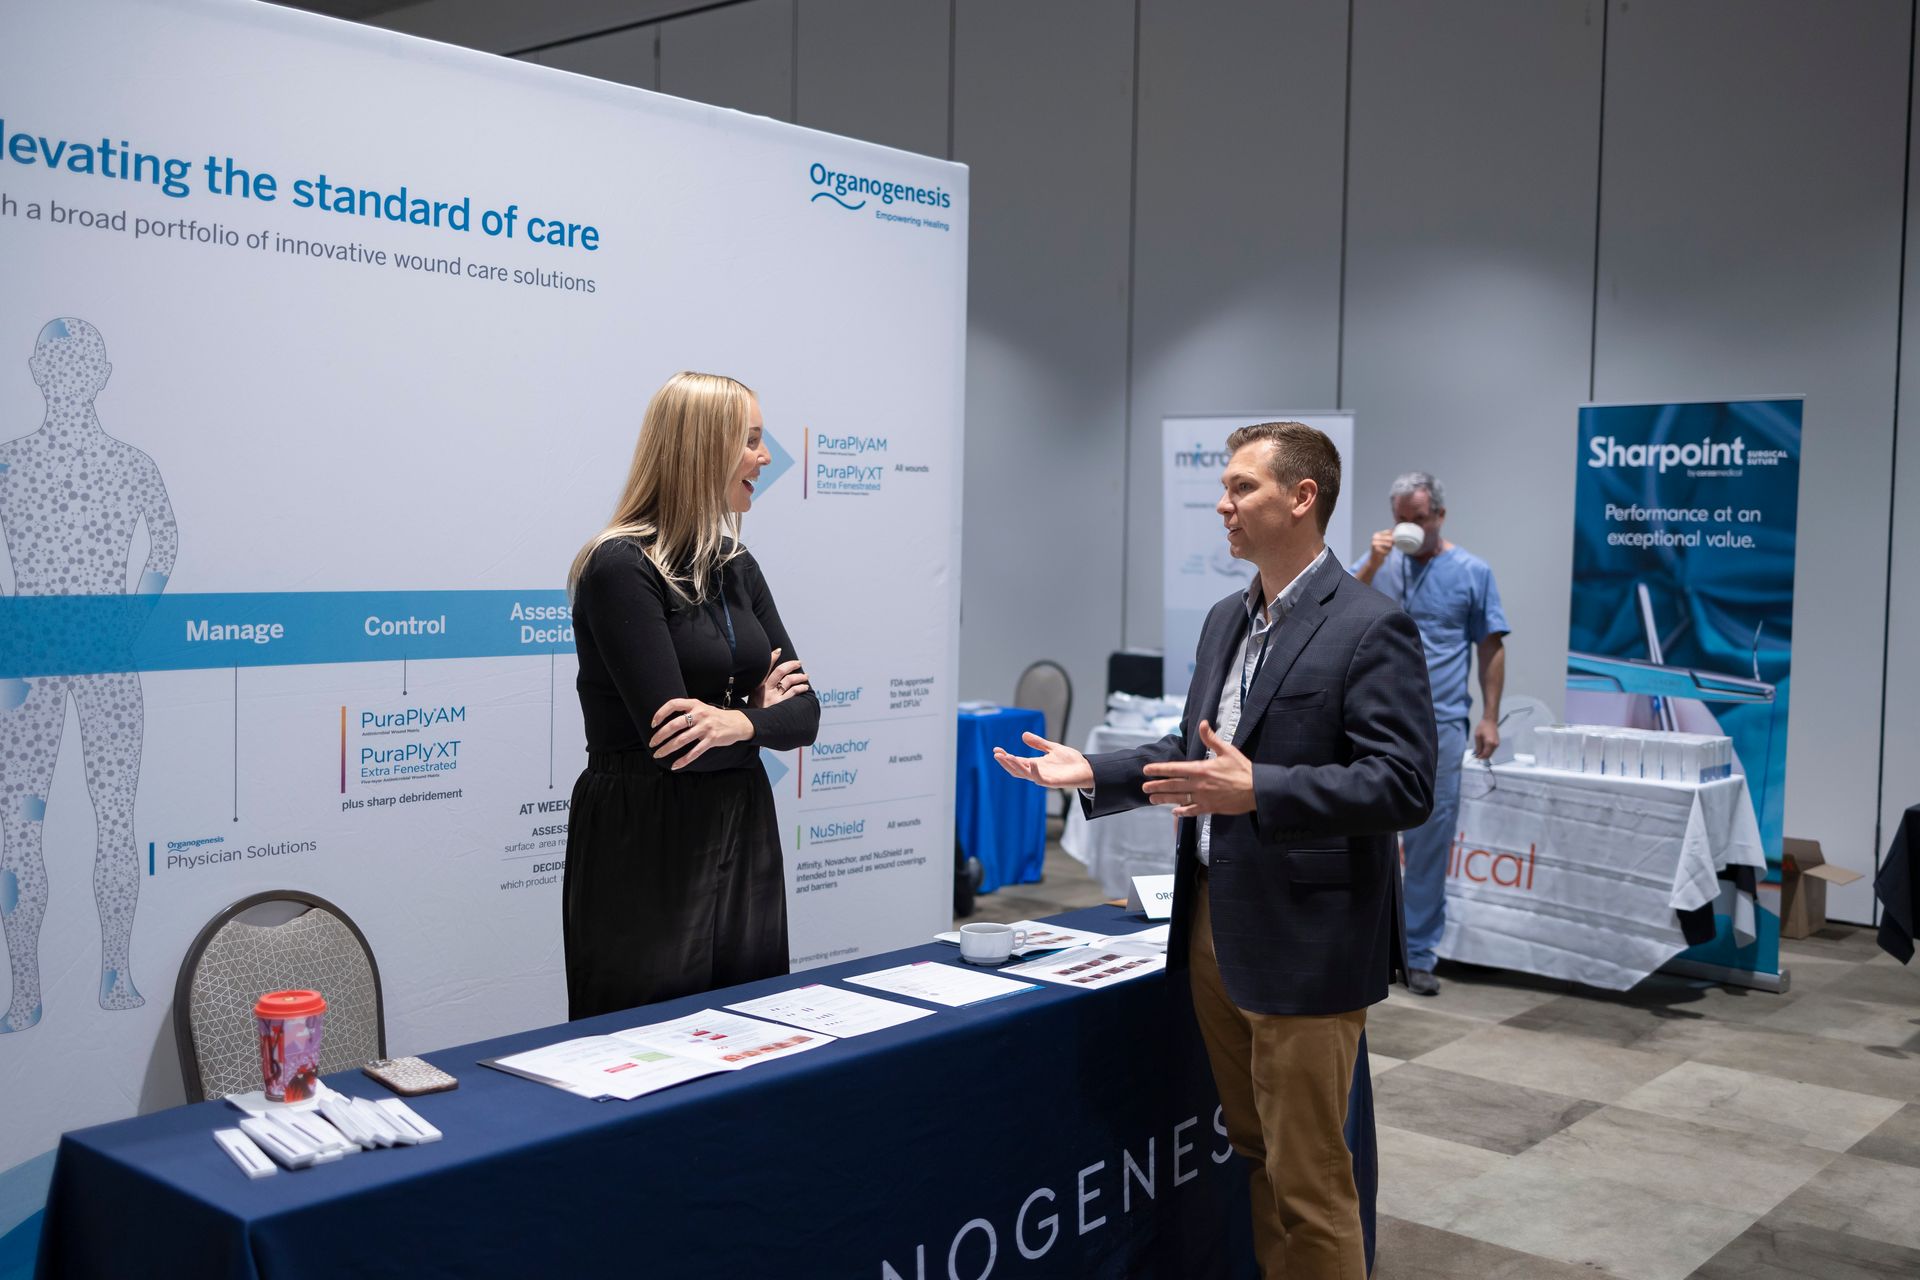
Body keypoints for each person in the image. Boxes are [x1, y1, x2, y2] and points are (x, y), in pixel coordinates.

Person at [995, 423, 1435, 1279]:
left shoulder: (1369, 626)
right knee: (1256, 1156)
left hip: (1305, 942)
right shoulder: (1225, 619)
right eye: (1224, 490)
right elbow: (1199, 744)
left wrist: (1263, 789)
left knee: (1311, 1182)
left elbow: (1402, 784)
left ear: (1302, 499)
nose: (1222, 507)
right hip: (1212, 926)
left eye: (1242, 489)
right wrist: (1098, 768)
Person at [562, 371, 818, 1019]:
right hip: (647, 837)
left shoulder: (737, 565)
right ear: (703, 447)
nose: (765, 458)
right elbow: (679, 745)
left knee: (754, 1029)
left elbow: (806, 715)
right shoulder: (621, 567)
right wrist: (758, 715)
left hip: (741, 819)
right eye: (752, 440)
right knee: (645, 1046)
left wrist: (735, 726)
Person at [0, 318, 178, 1032]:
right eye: (58, 364)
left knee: (96, 820)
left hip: (62, 656)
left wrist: (128, 622)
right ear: (40, 372)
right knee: (26, 827)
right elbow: (164, 539)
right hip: (48, 658)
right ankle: (41, 989)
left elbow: (166, 537)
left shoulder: (106, 463)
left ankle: (87, 980)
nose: (67, 377)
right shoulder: (13, 463)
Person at [1353, 472, 1508, 997]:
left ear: (1439, 517)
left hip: (1440, 724)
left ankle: (1417, 955)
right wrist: (1373, 561)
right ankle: (1364, 946)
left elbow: (1490, 646)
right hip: (1372, 722)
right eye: (1401, 519)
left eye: (1418, 519)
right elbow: (1331, 611)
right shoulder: (1380, 566)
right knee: (1361, 834)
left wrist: (1489, 716)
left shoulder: (1472, 572)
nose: (1410, 529)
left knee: (1427, 843)